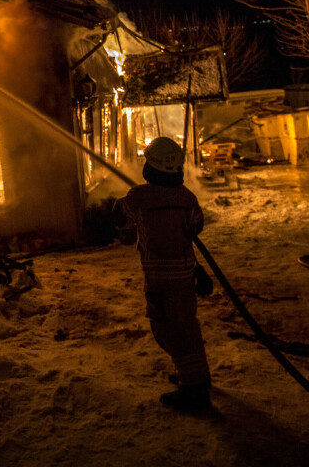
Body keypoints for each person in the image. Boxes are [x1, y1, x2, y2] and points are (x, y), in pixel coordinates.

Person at [114, 136, 211, 412]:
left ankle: (194, 391)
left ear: (151, 167)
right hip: (184, 276)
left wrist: (115, 210)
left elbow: (121, 217)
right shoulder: (186, 197)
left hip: (160, 281)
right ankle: (192, 374)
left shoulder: (139, 197)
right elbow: (196, 226)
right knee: (187, 328)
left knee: (168, 331)